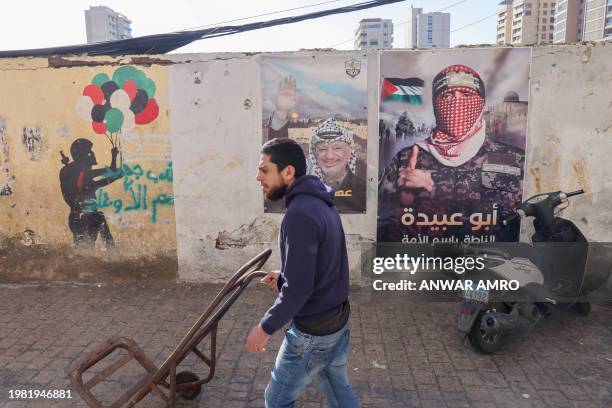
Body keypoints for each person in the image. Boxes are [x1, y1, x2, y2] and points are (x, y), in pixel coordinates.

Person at [247, 138, 359, 408]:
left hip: (313, 333)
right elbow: (323, 263)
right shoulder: (320, 203)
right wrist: (285, 274)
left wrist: (265, 327)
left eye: (264, 170)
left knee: (276, 401)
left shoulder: (299, 214)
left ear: (288, 172)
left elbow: (299, 289)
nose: (258, 177)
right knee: (338, 392)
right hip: (335, 322)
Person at [378, 64, 525, 242]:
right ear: (435, 105)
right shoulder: (406, 159)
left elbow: (524, 222)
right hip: (425, 264)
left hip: (491, 265)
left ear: (480, 102)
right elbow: (382, 226)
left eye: (466, 95)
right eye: (447, 95)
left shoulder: (514, 159)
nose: (456, 103)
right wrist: (400, 199)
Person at [267, 76, 366, 213]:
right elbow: (280, 154)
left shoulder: (363, 186)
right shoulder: (302, 180)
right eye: (323, 149)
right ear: (314, 153)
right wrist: (281, 111)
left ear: (350, 151)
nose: (329, 156)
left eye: (337, 148)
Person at [59, 139, 123, 249]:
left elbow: (111, 170)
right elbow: (100, 182)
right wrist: (116, 176)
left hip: (77, 217)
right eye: (90, 152)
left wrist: (114, 156)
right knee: (90, 244)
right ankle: (112, 255)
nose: (93, 154)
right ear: (83, 156)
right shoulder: (82, 174)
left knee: (84, 250)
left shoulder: (80, 172)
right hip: (85, 217)